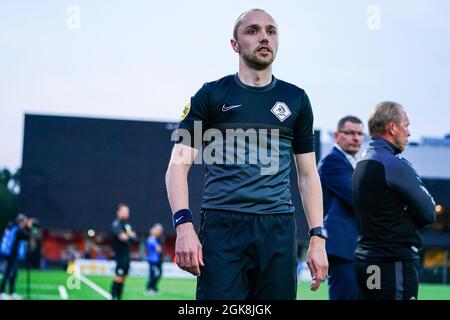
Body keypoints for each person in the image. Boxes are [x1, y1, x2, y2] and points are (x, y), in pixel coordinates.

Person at [165, 8, 328, 300]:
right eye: (253, 31)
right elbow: (177, 166)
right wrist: (184, 226)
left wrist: (318, 236)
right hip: (222, 226)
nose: (264, 37)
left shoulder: (297, 99)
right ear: (235, 44)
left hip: (277, 227)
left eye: (271, 31)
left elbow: (307, 175)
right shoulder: (211, 95)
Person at [352, 101, 436, 300]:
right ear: (392, 127)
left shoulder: (361, 161)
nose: (408, 133)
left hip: (367, 261)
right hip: (393, 263)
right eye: (406, 125)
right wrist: (407, 213)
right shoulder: (393, 165)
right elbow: (429, 212)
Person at [318, 116, 364, 300]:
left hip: (353, 247)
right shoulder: (333, 162)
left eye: (360, 134)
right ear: (337, 136)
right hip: (344, 248)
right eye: (350, 133)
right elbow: (357, 198)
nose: (356, 138)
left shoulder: (351, 162)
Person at [0, 214, 34, 300]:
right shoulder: (18, 230)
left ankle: (11, 292)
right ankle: (1, 292)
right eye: (24, 221)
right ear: (21, 221)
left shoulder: (14, 228)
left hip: (11, 254)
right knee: (8, 273)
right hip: (11, 254)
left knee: (14, 274)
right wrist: (30, 227)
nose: (25, 223)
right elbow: (28, 236)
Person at [110, 203, 137, 300]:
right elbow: (124, 238)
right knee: (118, 277)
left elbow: (134, 238)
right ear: (118, 212)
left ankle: (119, 297)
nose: (126, 213)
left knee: (123, 278)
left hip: (127, 256)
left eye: (127, 211)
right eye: (124, 211)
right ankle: (113, 297)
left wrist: (129, 236)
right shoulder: (116, 224)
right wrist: (129, 236)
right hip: (120, 255)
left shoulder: (127, 225)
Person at [145, 223, 164, 295]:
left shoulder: (152, 239)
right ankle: (150, 289)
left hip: (154, 259)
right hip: (153, 260)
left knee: (154, 274)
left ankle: (152, 288)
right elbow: (158, 249)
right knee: (153, 274)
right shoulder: (152, 240)